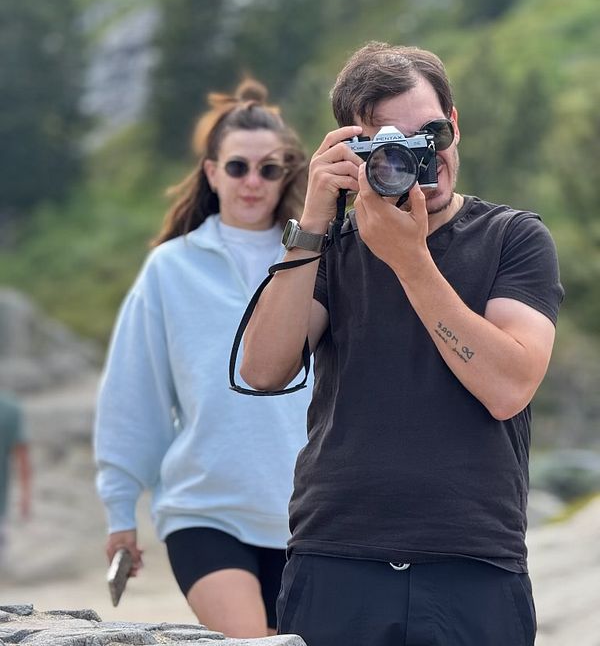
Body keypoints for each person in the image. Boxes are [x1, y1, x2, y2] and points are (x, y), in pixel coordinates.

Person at [240, 42, 564, 646]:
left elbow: (508, 386)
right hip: (336, 553)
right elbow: (261, 370)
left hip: (472, 561)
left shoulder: (513, 238)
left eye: (432, 133)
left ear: (455, 123)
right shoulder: (328, 245)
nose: (425, 158)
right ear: (352, 151)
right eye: (395, 143)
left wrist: (409, 260)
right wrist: (311, 223)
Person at [94, 78, 311, 638]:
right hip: (205, 513)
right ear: (211, 172)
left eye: (270, 168)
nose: (252, 182)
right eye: (238, 167)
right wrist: (121, 513)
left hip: (312, 521)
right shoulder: (169, 270)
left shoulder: (319, 260)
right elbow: (133, 396)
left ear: (288, 173)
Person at [0, 390, 32, 566]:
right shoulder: (10, 410)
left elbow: (22, 456)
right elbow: (23, 457)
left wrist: (25, 495)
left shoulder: (10, 411)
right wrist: (25, 496)